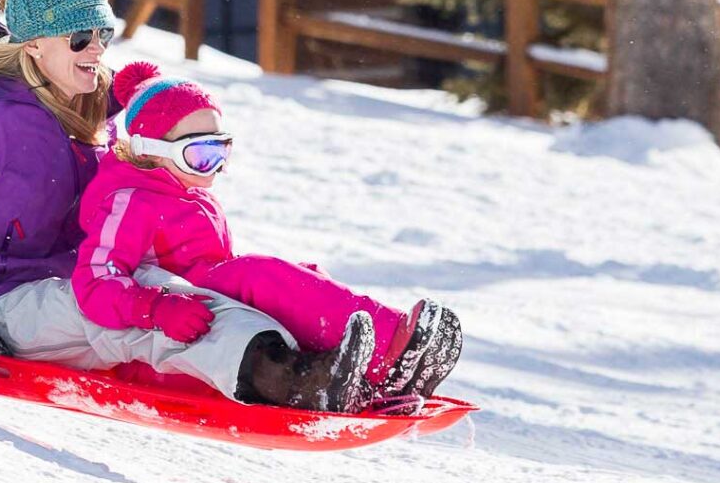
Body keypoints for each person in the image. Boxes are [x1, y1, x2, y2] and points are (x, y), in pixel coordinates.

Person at [0, 0, 368, 410]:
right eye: (79, 38)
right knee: (150, 302)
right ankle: (285, 379)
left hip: (92, 282)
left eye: (103, 34)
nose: (96, 49)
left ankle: (325, 358)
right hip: (7, 303)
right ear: (33, 44)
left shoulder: (89, 104)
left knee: (202, 280)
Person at [75, 64, 463, 413]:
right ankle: (388, 353)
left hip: (208, 330)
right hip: (172, 350)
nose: (215, 169)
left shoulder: (181, 188)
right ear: (150, 151)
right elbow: (94, 282)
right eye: (200, 156)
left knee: (290, 274)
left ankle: (360, 371)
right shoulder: (130, 200)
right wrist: (156, 308)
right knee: (257, 276)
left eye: (221, 152)